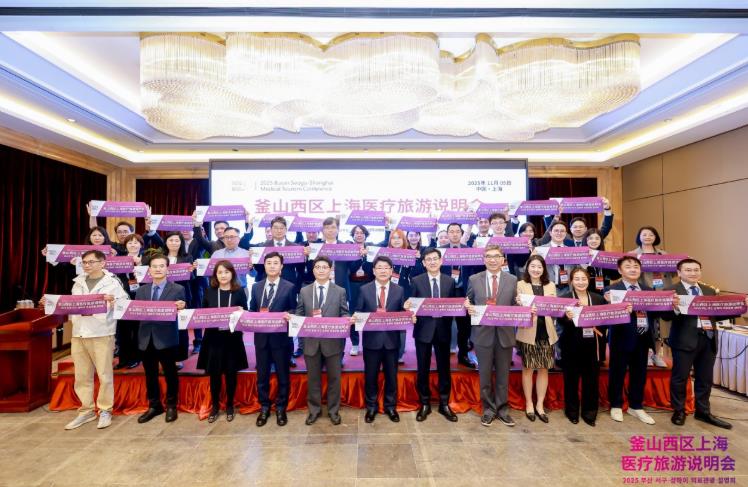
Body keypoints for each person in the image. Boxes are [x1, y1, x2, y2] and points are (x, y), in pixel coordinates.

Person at [41, 250, 129, 430]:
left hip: (102, 333)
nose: (87, 265)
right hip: (79, 333)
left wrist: (114, 301)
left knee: (104, 374)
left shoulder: (112, 282)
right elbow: (71, 304)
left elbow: (124, 304)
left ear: (102, 263)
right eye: (84, 262)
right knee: (82, 375)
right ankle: (86, 410)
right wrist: (50, 302)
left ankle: (105, 410)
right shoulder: (78, 282)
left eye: (91, 262)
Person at [664, 258, 746, 429]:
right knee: (680, 377)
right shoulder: (671, 291)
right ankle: (679, 410)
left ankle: (703, 411)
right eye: (688, 270)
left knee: (705, 378)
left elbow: (717, 313)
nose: (693, 273)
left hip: (708, 339)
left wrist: (741, 307)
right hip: (684, 340)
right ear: (679, 273)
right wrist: (674, 307)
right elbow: (665, 317)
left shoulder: (709, 290)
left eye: (696, 270)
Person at [605, 255, 662, 425]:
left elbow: (656, 314)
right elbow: (606, 316)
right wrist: (614, 305)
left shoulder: (648, 290)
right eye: (628, 266)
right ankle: (615, 404)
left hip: (643, 337)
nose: (633, 269)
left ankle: (636, 406)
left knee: (640, 373)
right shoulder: (611, 290)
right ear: (620, 270)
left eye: (636, 266)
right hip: (620, 337)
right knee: (617, 372)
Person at [465, 244, 518, 427]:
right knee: (485, 375)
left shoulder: (512, 279)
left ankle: (502, 409)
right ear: (484, 259)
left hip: (505, 334)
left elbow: (515, 306)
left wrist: (521, 305)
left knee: (503, 375)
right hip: (483, 334)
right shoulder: (474, 279)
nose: (492, 260)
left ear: (503, 260)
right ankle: (488, 409)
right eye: (488, 256)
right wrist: (468, 307)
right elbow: (469, 302)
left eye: (496, 256)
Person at [297, 255, 350, 426]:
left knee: (335, 379)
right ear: (313, 270)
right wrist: (293, 319)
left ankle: (334, 411)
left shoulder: (340, 291)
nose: (321, 270)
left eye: (324, 267)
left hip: (333, 343)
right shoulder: (304, 291)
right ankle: (314, 410)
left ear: (330, 270)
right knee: (313, 379)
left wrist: (347, 319)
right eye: (317, 267)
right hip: (311, 343)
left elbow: (344, 312)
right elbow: (299, 314)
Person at [136, 254, 187, 424]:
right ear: (149, 270)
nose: (158, 269)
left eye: (161, 266)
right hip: (145, 337)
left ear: (167, 269)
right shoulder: (141, 290)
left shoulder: (177, 289)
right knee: (150, 374)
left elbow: (185, 311)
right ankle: (154, 405)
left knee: (170, 373)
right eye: (154, 266)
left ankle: (171, 405)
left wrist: (183, 307)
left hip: (167, 337)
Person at [409, 247, 458, 422]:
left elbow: (453, 306)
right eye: (428, 259)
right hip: (423, 330)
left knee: (444, 368)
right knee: (422, 368)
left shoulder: (449, 281)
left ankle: (444, 403)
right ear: (423, 263)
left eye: (435, 258)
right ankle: (425, 403)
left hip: (443, 330)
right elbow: (412, 305)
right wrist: (410, 312)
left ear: (441, 260)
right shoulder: (416, 281)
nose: (432, 262)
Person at [196, 260, 248, 423]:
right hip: (213, 339)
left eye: (226, 272)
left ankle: (230, 404)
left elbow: (246, 313)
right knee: (215, 375)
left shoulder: (239, 291)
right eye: (220, 272)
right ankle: (215, 406)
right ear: (215, 275)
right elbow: (203, 313)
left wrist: (242, 312)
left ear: (232, 274)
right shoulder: (209, 291)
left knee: (231, 373)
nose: (223, 275)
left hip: (232, 339)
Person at [249, 252, 297, 427]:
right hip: (261, 339)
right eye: (268, 263)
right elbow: (252, 309)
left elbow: (295, 309)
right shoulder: (256, 287)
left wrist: (289, 315)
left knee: (283, 375)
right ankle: (264, 407)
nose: (272, 266)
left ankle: (281, 408)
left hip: (281, 339)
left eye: (275, 263)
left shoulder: (290, 287)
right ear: (264, 265)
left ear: (281, 266)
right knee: (262, 376)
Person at [356, 256, 405, 423]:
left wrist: (408, 316)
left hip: (392, 341)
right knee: (371, 376)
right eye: (379, 267)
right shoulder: (364, 289)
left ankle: (391, 407)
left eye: (386, 268)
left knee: (392, 376)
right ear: (374, 270)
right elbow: (359, 311)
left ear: (391, 271)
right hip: (371, 341)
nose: (383, 271)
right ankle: (371, 407)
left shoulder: (399, 290)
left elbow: (401, 313)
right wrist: (357, 317)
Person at [558, 267, 608, 426]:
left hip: (592, 345)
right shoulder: (565, 299)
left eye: (584, 279)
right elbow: (559, 321)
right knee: (571, 381)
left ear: (589, 280)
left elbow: (606, 320)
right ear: (571, 281)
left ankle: (589, 413)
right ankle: (572, 412)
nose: (581, 282)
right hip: (571, 345)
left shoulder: (598, 298)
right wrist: (567, 318)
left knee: (591, 381)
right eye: (577, 279)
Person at [515, 254, 557, 424]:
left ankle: (540, 404)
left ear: (544, 269)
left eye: (539, 267)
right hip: (528, 332)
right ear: (527, 268)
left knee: (543, 369)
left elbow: (554, 309)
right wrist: (520, 304)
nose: (536, 269)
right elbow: (516, 308)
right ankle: (529, 403)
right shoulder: (520, 285)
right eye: (533, 266)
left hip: (546, 332)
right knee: (528, 368)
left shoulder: (550, 285)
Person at [630, 226, 672, 368]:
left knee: (660, 326)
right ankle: (647, 353)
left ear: (655, 237)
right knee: (645, 324)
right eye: (644, 234)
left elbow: (673, 273)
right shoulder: (632, 254)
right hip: (643, 295)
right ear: (639, 237)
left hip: (662, 294)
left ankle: (657, 354)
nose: (648, 237)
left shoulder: (664, 254)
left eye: (651, 235)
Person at [439, 223, 478, 368]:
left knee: (464, 327)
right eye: (451, 231)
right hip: (445, 293)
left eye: (457, 232)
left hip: (464, 292)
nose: (454, 234)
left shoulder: (469, 251)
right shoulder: (440, 251)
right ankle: (443, 356)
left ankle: (463, 355)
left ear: (461, 234)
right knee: (444, 326)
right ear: (447, 234)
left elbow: (476, 270)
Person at [157, 231, 195, 367]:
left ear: (181, 242)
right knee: (163, 327)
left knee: (180, 327)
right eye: (171, 240)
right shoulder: (160, 258)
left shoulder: (187, 257)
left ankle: (179, 357)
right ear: (166, 242)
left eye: (177, 240)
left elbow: (191, 279)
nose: (174, 243)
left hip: (181, 294)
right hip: (162, 295)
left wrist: (191, 271)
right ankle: (164, 357)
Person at [114, 233, 144, 370]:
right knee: (122, 330)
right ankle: (123, 359)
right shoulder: (119, 260)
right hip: (122, 298)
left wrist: (140, 265)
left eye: (136, 242)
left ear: (141, 245)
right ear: (125, 245)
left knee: (136, 330)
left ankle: (136, 358)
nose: (133, 245)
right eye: (130, 243)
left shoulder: (146, 259)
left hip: (139, 298)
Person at [538, 197, 614, 247]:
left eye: (581, 227)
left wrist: (607, 209)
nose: (578, 229)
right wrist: (547, 213)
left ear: (586, 229)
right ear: (570, 229)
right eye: (575, 227)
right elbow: (551, 228)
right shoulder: (565, 239)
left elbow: (606, 227)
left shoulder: (592, 239)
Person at [347, 224, 375, 356]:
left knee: (369, 313)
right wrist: (359, 256)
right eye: (356, 233)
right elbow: (351, 268)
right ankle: (355, 343)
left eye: (361, 232)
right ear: (353, 235)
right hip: (353, 285)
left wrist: (367, 255)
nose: (359, 235)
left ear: (365, 235)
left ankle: (369, 342)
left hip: (369, 285)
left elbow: (372, 268)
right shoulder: (348, 249)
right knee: (354, 314)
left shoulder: (371, 248)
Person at [388, 229, 414, 363]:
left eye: (399, 238)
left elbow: (416, 273)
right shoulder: (385, 255)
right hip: (386, 292)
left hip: (404, 293)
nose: (396, 240)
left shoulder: (409, 255)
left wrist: (417, 259)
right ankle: (388, 351)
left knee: (401, 323)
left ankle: (400, 353)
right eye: (394, 238)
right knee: (387, 323)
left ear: (404, 240)